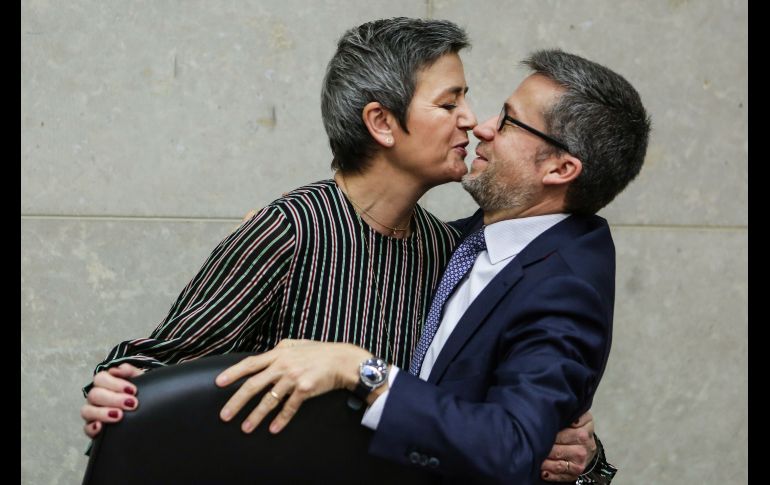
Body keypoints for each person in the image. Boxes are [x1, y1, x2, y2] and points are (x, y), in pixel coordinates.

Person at [80, 19, 605, 482]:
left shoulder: (452, 251)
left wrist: (576, 446)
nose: (471, 119)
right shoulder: (290, 231)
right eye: (449, 103)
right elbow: (157, 364)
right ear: (381, 123)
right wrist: (116, 391)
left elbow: (488, 412)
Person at [214, 48, 650, 484]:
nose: (481, 127)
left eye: (508, 121)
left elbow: (511, 445)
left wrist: (360, 369)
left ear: (560, 167)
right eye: (450, 104)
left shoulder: (566, 284)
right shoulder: (455, 241)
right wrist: (284, 233)